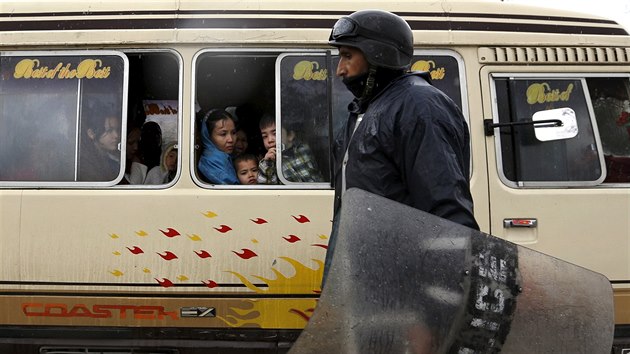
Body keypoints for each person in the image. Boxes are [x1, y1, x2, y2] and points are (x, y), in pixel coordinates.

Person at [324, 10, 479, 280]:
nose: (340, 70)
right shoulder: (365, 110)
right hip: (371, 278)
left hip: (405, 283)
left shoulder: (419, 107)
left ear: (377, 55)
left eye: (348, 56)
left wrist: (436, 306)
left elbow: (445, 211)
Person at [257, 114, 323, 184]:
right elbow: (264, 187)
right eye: (265, 136)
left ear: (290, 135)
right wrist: (268, 163)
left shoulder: (304, 149)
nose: (270, 140)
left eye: (275, 134)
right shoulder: (268, 164)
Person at [78, 105, 121, 181]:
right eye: (109, 130)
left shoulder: (104, 156)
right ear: (91, 133)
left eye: (117, 130)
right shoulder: (86, 162)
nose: (116, 135)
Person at [198, 109, 239, 184]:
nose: (230, 139)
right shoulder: (210, 161)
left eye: (233, 133)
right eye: (223, 134)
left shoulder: (228, 156)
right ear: (208, 136)